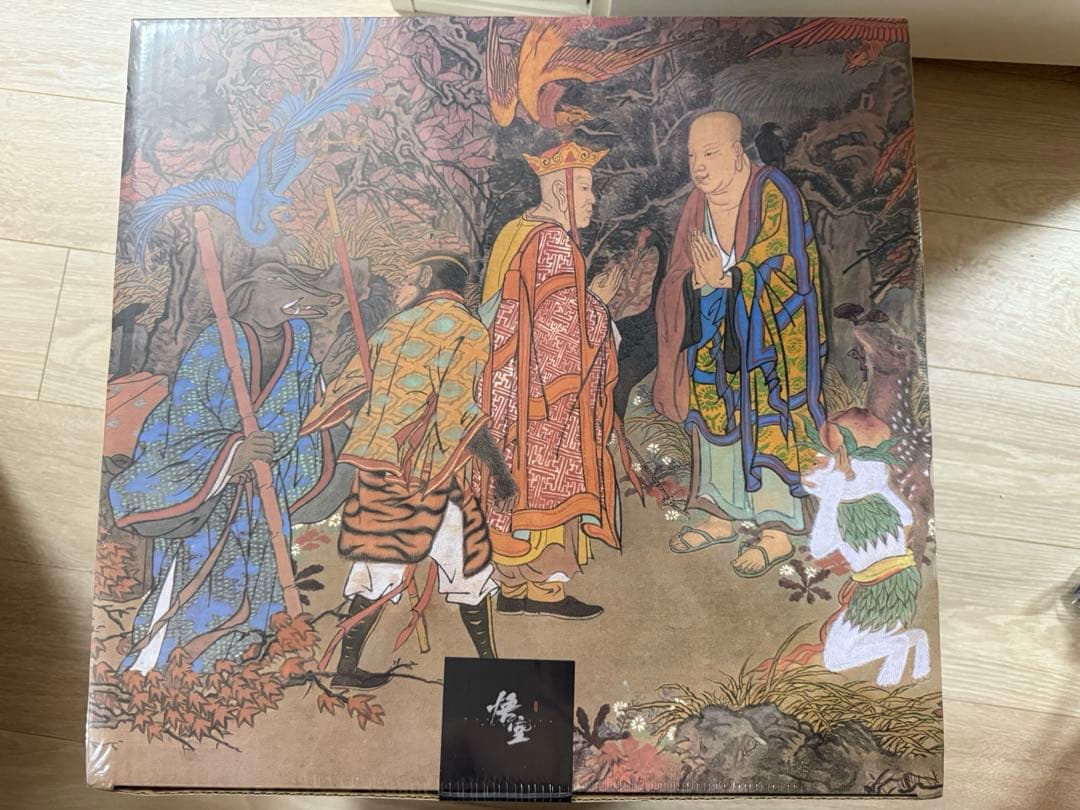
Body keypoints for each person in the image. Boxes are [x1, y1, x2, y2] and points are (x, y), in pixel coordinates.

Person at [110, 262, 345, 672]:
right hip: (210, 483)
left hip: (263, 485)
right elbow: (188, 413)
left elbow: (303, 397)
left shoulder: (298, 336)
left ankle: (236, 662)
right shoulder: (217, 340)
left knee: (260, 575)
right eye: (293, 289)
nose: (304, 303)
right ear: (260, 288)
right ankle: (166, 663)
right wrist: (233, 451)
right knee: (201, 574)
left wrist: (278, 443)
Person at [301, 252, 518, 688]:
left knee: (394, 562)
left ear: (425, 277)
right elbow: (459, 413)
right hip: (426, 471)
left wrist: (377, 426)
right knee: (455, 564)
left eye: (406, 278)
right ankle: (486, 666)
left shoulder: (393, 327)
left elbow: (348, 392)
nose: (401, 287)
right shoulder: (468, 329)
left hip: (385, 467)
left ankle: (486, 665)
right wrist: (500, 471)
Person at [653, 111, 828, 577]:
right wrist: (695, 282)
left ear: (737, 153)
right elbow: (677, 273)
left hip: (767, 334)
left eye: (710, 154)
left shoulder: (772, 190)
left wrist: (732, 278)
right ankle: (719, 514)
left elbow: (788, 266)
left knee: (766, 416)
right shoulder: (696, 205)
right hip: (713, 328)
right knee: (712, 410)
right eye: (692, 156)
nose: (699, 167)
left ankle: (776, 528)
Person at [477, 142, 626, 620]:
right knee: (546, 481)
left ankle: (511, 586)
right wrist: (600, 305)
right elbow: (561, 335)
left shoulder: (513, 231)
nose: (592, 199)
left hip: (503, 387)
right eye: (584, 188)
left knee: (509, 485)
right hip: (543, 394)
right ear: (561, 191)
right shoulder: (555, 242)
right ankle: (546, 592)